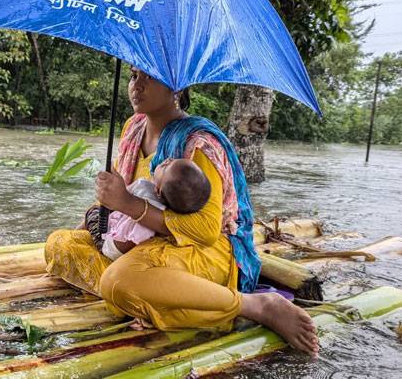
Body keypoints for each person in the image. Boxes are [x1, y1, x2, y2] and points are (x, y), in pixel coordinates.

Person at [44, 67, 319, 356]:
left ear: (177, 88)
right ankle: (155, 299)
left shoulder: (198, 144)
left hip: (199, 251)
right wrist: (95, 220)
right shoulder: (132, 129)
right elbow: (116, 203)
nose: (137, 86)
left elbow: (206, 231)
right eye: (134, 76)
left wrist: (129, 204)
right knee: (59, 244)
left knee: (118, 281)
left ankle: (252, 305)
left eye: (149, 77)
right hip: (139, 244)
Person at [85, 158, 211, 261]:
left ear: (158, 191)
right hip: (117, 235)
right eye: (173, 160)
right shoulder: (164, 210)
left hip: (110, 247)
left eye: (166, 167)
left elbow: (126, 244)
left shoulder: (149, 206)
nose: (167, 160)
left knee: (92, 212)